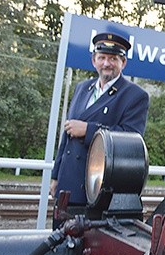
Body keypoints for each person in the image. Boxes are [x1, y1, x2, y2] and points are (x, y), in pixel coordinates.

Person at [50, 31, 149, 219]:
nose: (106, 63)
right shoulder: (82, 88)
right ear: (94, 61)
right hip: (68, 184)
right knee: (60, 244)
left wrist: (88, 130)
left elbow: (131, 139)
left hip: (97, 188)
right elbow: (67, 134)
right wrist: (56, 176)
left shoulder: (135, 96)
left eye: (113, 59)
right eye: (102, 57)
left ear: (123, 63)